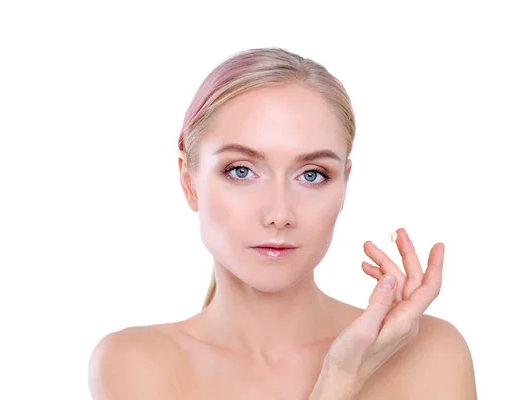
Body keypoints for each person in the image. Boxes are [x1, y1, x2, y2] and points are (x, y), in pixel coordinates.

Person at [88, 47, 477, 399]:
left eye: (311, 175)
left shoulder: (430, 351)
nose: (279, 214)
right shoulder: (135, 362)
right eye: (240, 171)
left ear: (344, 185)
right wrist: (341, 377)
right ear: (189, 182)